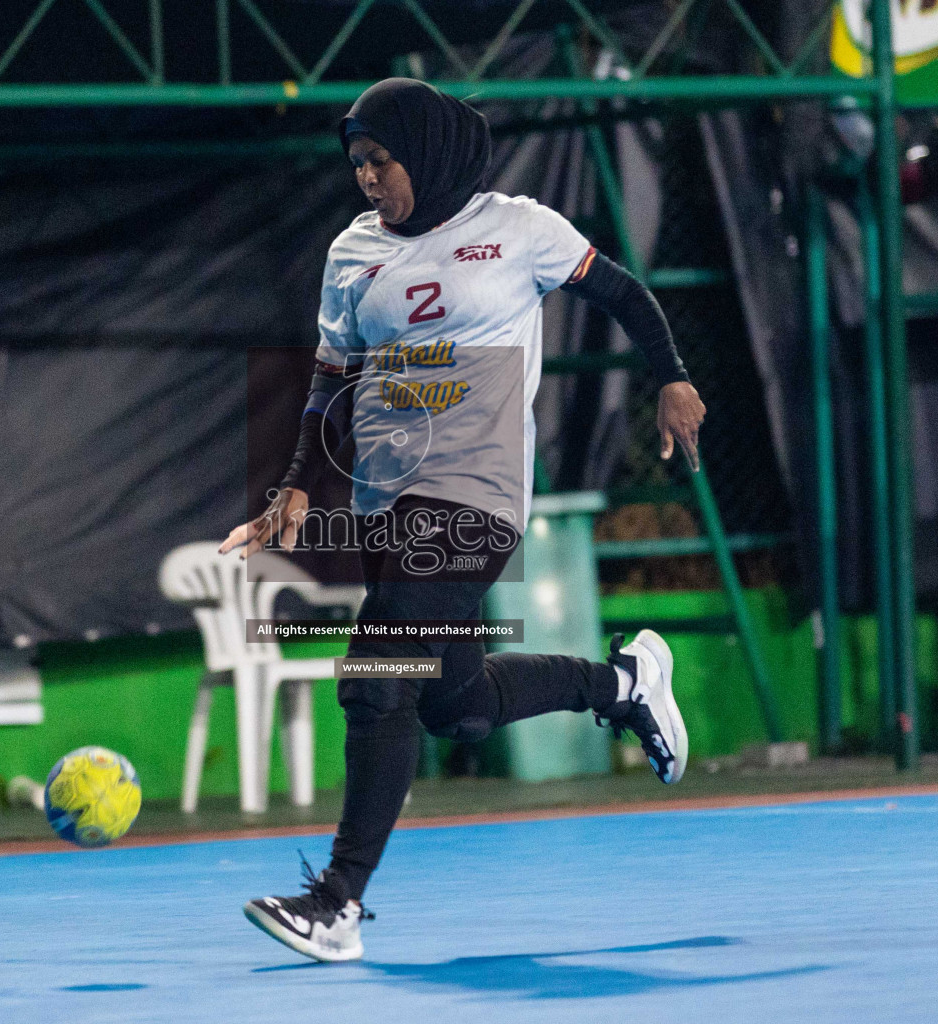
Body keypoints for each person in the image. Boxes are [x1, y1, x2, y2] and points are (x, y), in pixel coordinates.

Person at [219, 78, 706, 963]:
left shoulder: (518, 228)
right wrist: (293, 483)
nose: (367, 177)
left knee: (378, 675)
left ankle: (336, 904)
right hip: (385, 504)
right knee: (460, 706)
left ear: (428, 151)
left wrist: (672, 377)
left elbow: (625, 294)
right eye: (357, 163)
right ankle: (625, 685)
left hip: (474, 502)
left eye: (382, 159)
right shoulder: (352, 253)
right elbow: (331, 376)